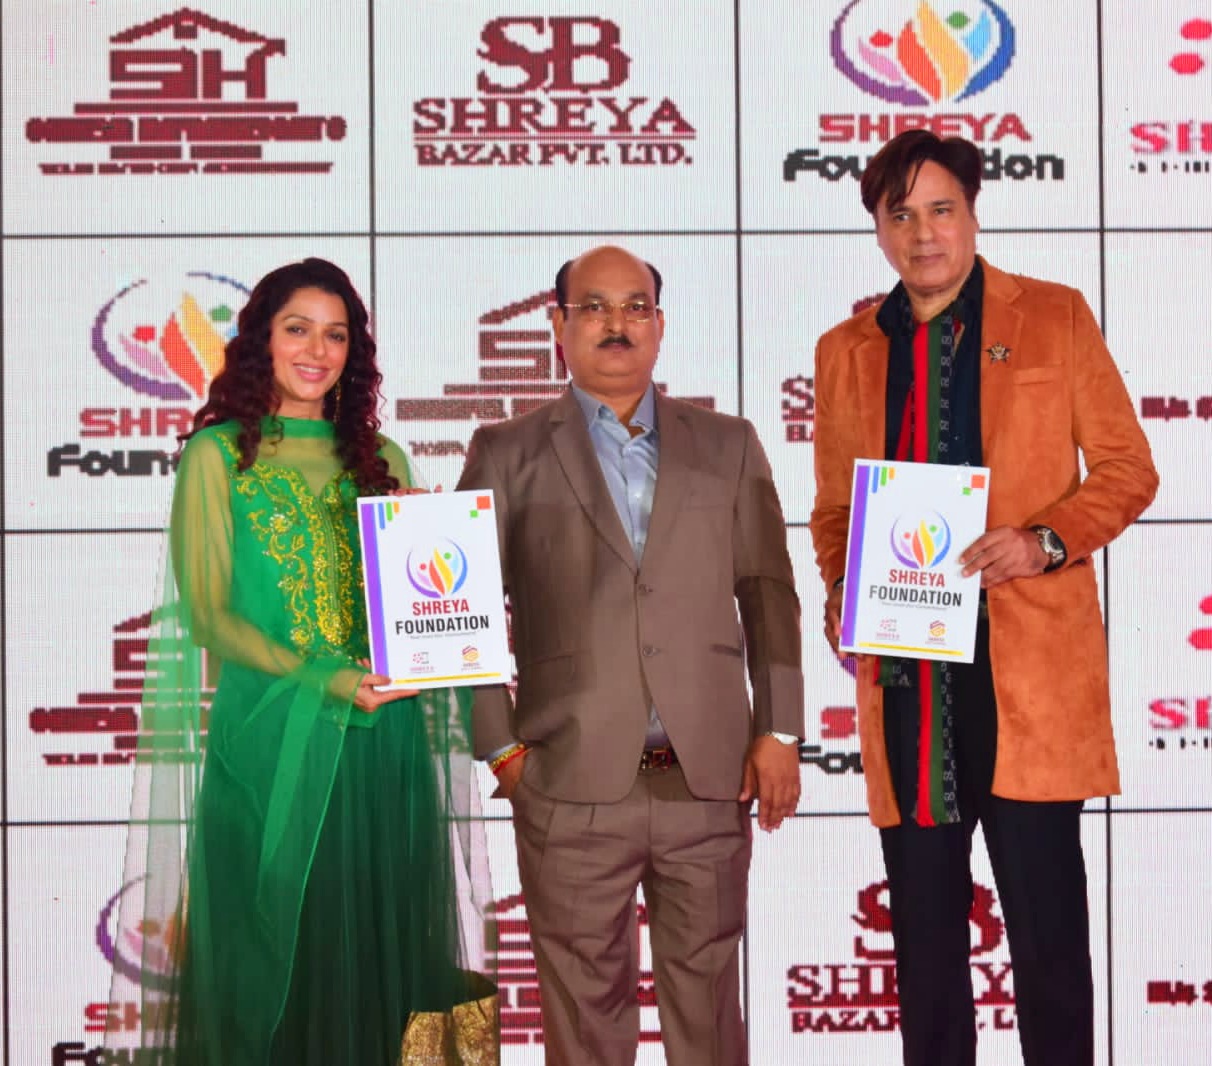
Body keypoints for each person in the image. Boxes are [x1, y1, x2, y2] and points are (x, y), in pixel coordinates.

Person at [809, 131, 1158, 1066]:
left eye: (941, 210)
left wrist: (1043, 540)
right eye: (901, 215)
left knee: (1049, 944)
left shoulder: (1054, 316)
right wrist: (844, 594)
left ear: (972, 214)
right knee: (925, 953)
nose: (923, 234)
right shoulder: (846, 351)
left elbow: (1128, 470)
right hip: (910, 684)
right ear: (878, 229)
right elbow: (835, 512)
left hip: (1027, 680)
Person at [111, 258, 497, 1065]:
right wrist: (329, 678)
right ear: (262, 340)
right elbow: (210, 616)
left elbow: (416, 606)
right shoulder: (218, 456)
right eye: (298, 329)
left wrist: (455, 633)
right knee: (270, 967)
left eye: (336, 335)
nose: (317, 351)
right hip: (272, 744)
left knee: (377, 972)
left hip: (380, 745)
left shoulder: (382, 456)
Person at [456, 244, 804, 1066]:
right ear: (559, 325)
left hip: (708, 780)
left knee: (709, 1016)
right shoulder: (506, 450)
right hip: (566, 782)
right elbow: (460, 608)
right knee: (585, 1026)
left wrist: (780, 730)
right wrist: (501, 750)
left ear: (660, 323)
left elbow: (767, 591)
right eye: (595, 307)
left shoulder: (729, 443)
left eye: (635, 306)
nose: (617, 323)